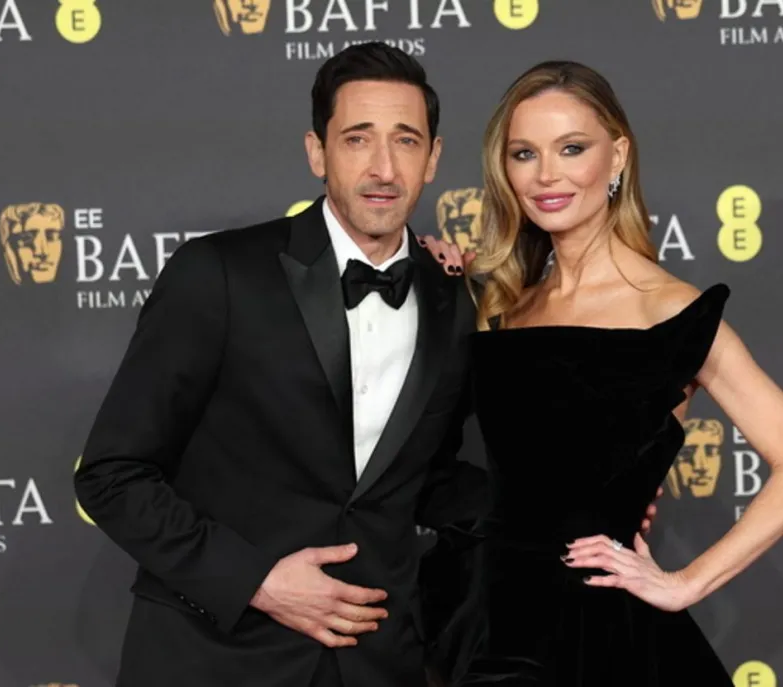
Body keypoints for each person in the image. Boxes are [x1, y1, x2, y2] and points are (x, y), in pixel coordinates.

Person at [73, 43, 660, 687]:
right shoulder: (217, 275)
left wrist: (578, 508)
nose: (383, 167)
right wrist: (257, 582)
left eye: (406, 141)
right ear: (317, 152)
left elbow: (428, 480)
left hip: (378, 663)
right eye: (357, 139)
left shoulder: (454, 297)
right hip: (214, 656)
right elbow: (111, 475)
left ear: (433, 158)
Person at [418, 60, 783, 686]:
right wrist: (436, 277)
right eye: (524, 153)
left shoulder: (671, 313)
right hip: (481, 617)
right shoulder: (502, 302)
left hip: (594, 631)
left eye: (572, 148)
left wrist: (685, 582)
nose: (547, 175)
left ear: (617, 157)